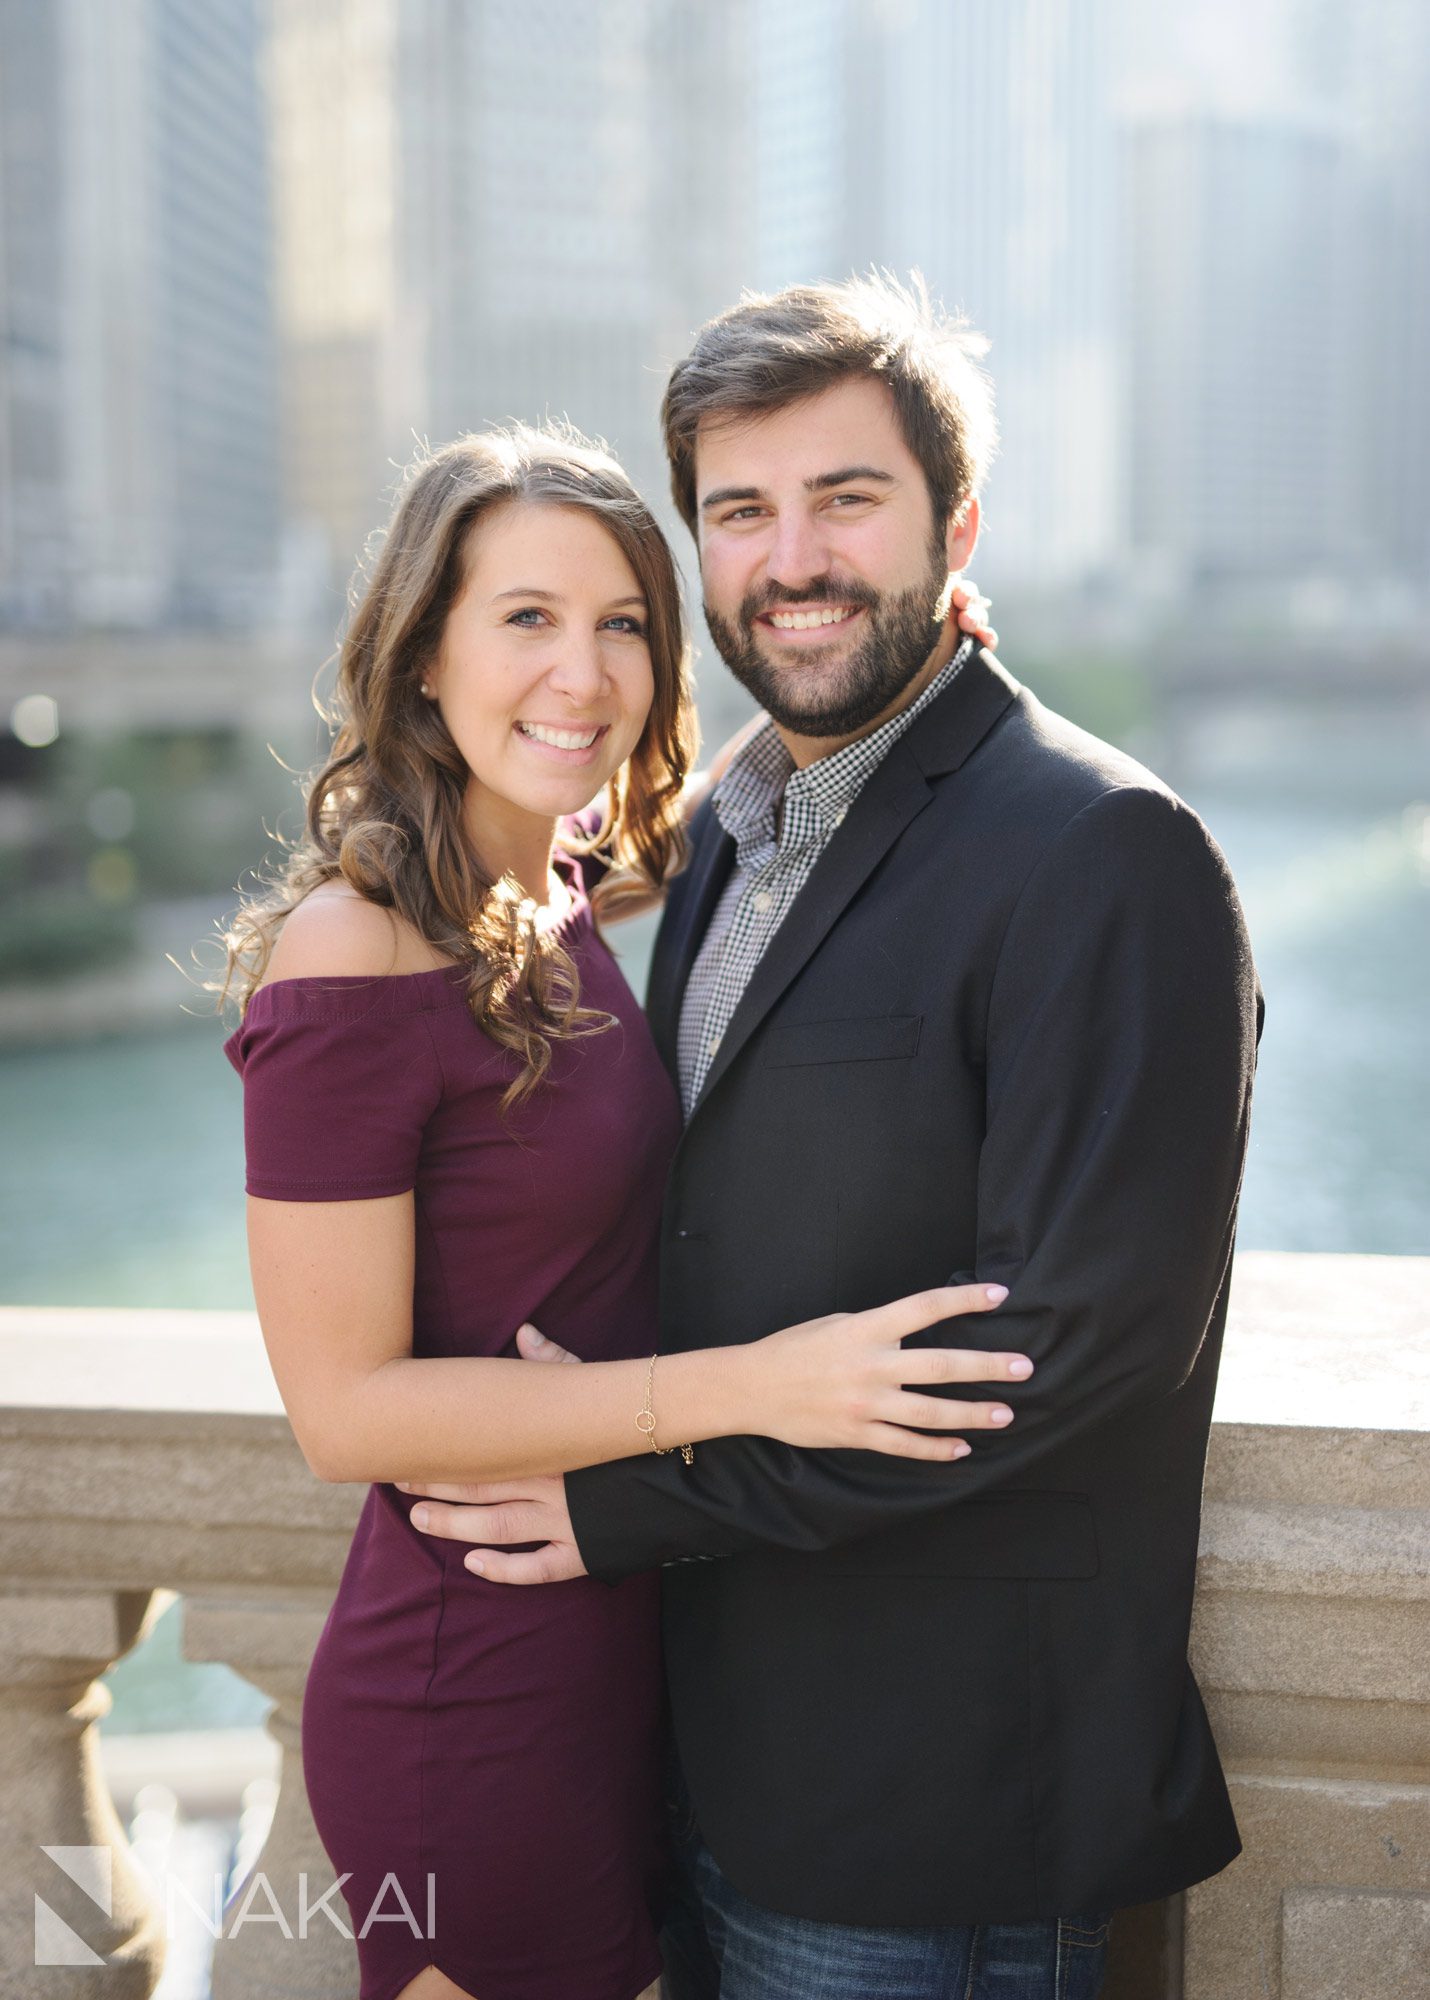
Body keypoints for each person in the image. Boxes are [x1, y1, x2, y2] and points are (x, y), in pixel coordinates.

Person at [403, 277, 1265, 2000]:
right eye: (740, 511)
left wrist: (642, 1497)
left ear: (956, 525)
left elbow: (1063, 1349)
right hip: (696, 1765)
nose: (790, 557)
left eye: (845, 499)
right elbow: (506, 908)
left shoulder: (1105, 849)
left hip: (930, 1816)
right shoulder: (735, 818)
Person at [219, 421, 1025, 2000]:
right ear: (421, 654)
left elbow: (708, 819)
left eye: (624, 627)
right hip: (473, 1689)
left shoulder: (542, 896)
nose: (581, 676)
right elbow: (340, 1412)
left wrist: (908, 658)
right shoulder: (350, 958)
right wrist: (760, 1387)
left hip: (618, 1649)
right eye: (525, 619)